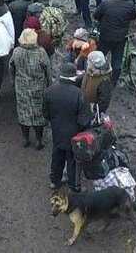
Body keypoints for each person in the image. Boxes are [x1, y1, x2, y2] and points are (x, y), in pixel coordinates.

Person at [44, 62, 91, 192]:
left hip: (57, 132)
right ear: (73, 76)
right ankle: (73, 186)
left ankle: (54, 181)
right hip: (74, 135)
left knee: (57, 156)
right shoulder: (79, 94)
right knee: (73, 161)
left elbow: (45, 114)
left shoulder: (49, 91)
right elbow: (84, 120)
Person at [10, 28, 51, 149]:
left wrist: (13, 81)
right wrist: (49, 84)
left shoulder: (17, 52)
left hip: (21, 87)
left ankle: (25, 138)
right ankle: (39, 140)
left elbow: (11, 67)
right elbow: (48, 70)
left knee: (23, 113)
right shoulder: (41, 52)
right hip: (38, 87)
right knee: (39, 114)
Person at [93, 0, 136, 86]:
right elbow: (133, 16)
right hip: (121, 38)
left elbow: (95, 16)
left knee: (100, 56)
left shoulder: (106, 3)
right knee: (117, 61)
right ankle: (113, 83)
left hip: (105, 36)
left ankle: (96, 78)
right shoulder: (130, 4)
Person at [77, 50, 113, 117]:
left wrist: (94, 111)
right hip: (84, 104)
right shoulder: (91, 71)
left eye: (89, 61)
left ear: (94, 64)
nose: (87, 62)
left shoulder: (104, 81)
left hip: (91, 110)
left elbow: (104, 101)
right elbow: (83, 78)